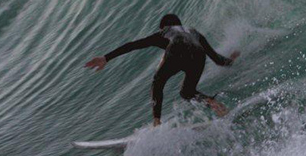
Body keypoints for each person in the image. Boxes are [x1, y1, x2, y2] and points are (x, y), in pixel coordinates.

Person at [85, 14, 240, 126]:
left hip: (178, 50)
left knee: (157, 81)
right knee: (187, 92)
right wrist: (230, 60)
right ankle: (211, 102)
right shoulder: (194, 33)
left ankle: (157, 122)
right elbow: (216, 59)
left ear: (164, 26)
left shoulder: (164, 32)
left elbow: (133, 45)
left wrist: (106, 58)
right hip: (198, 55)